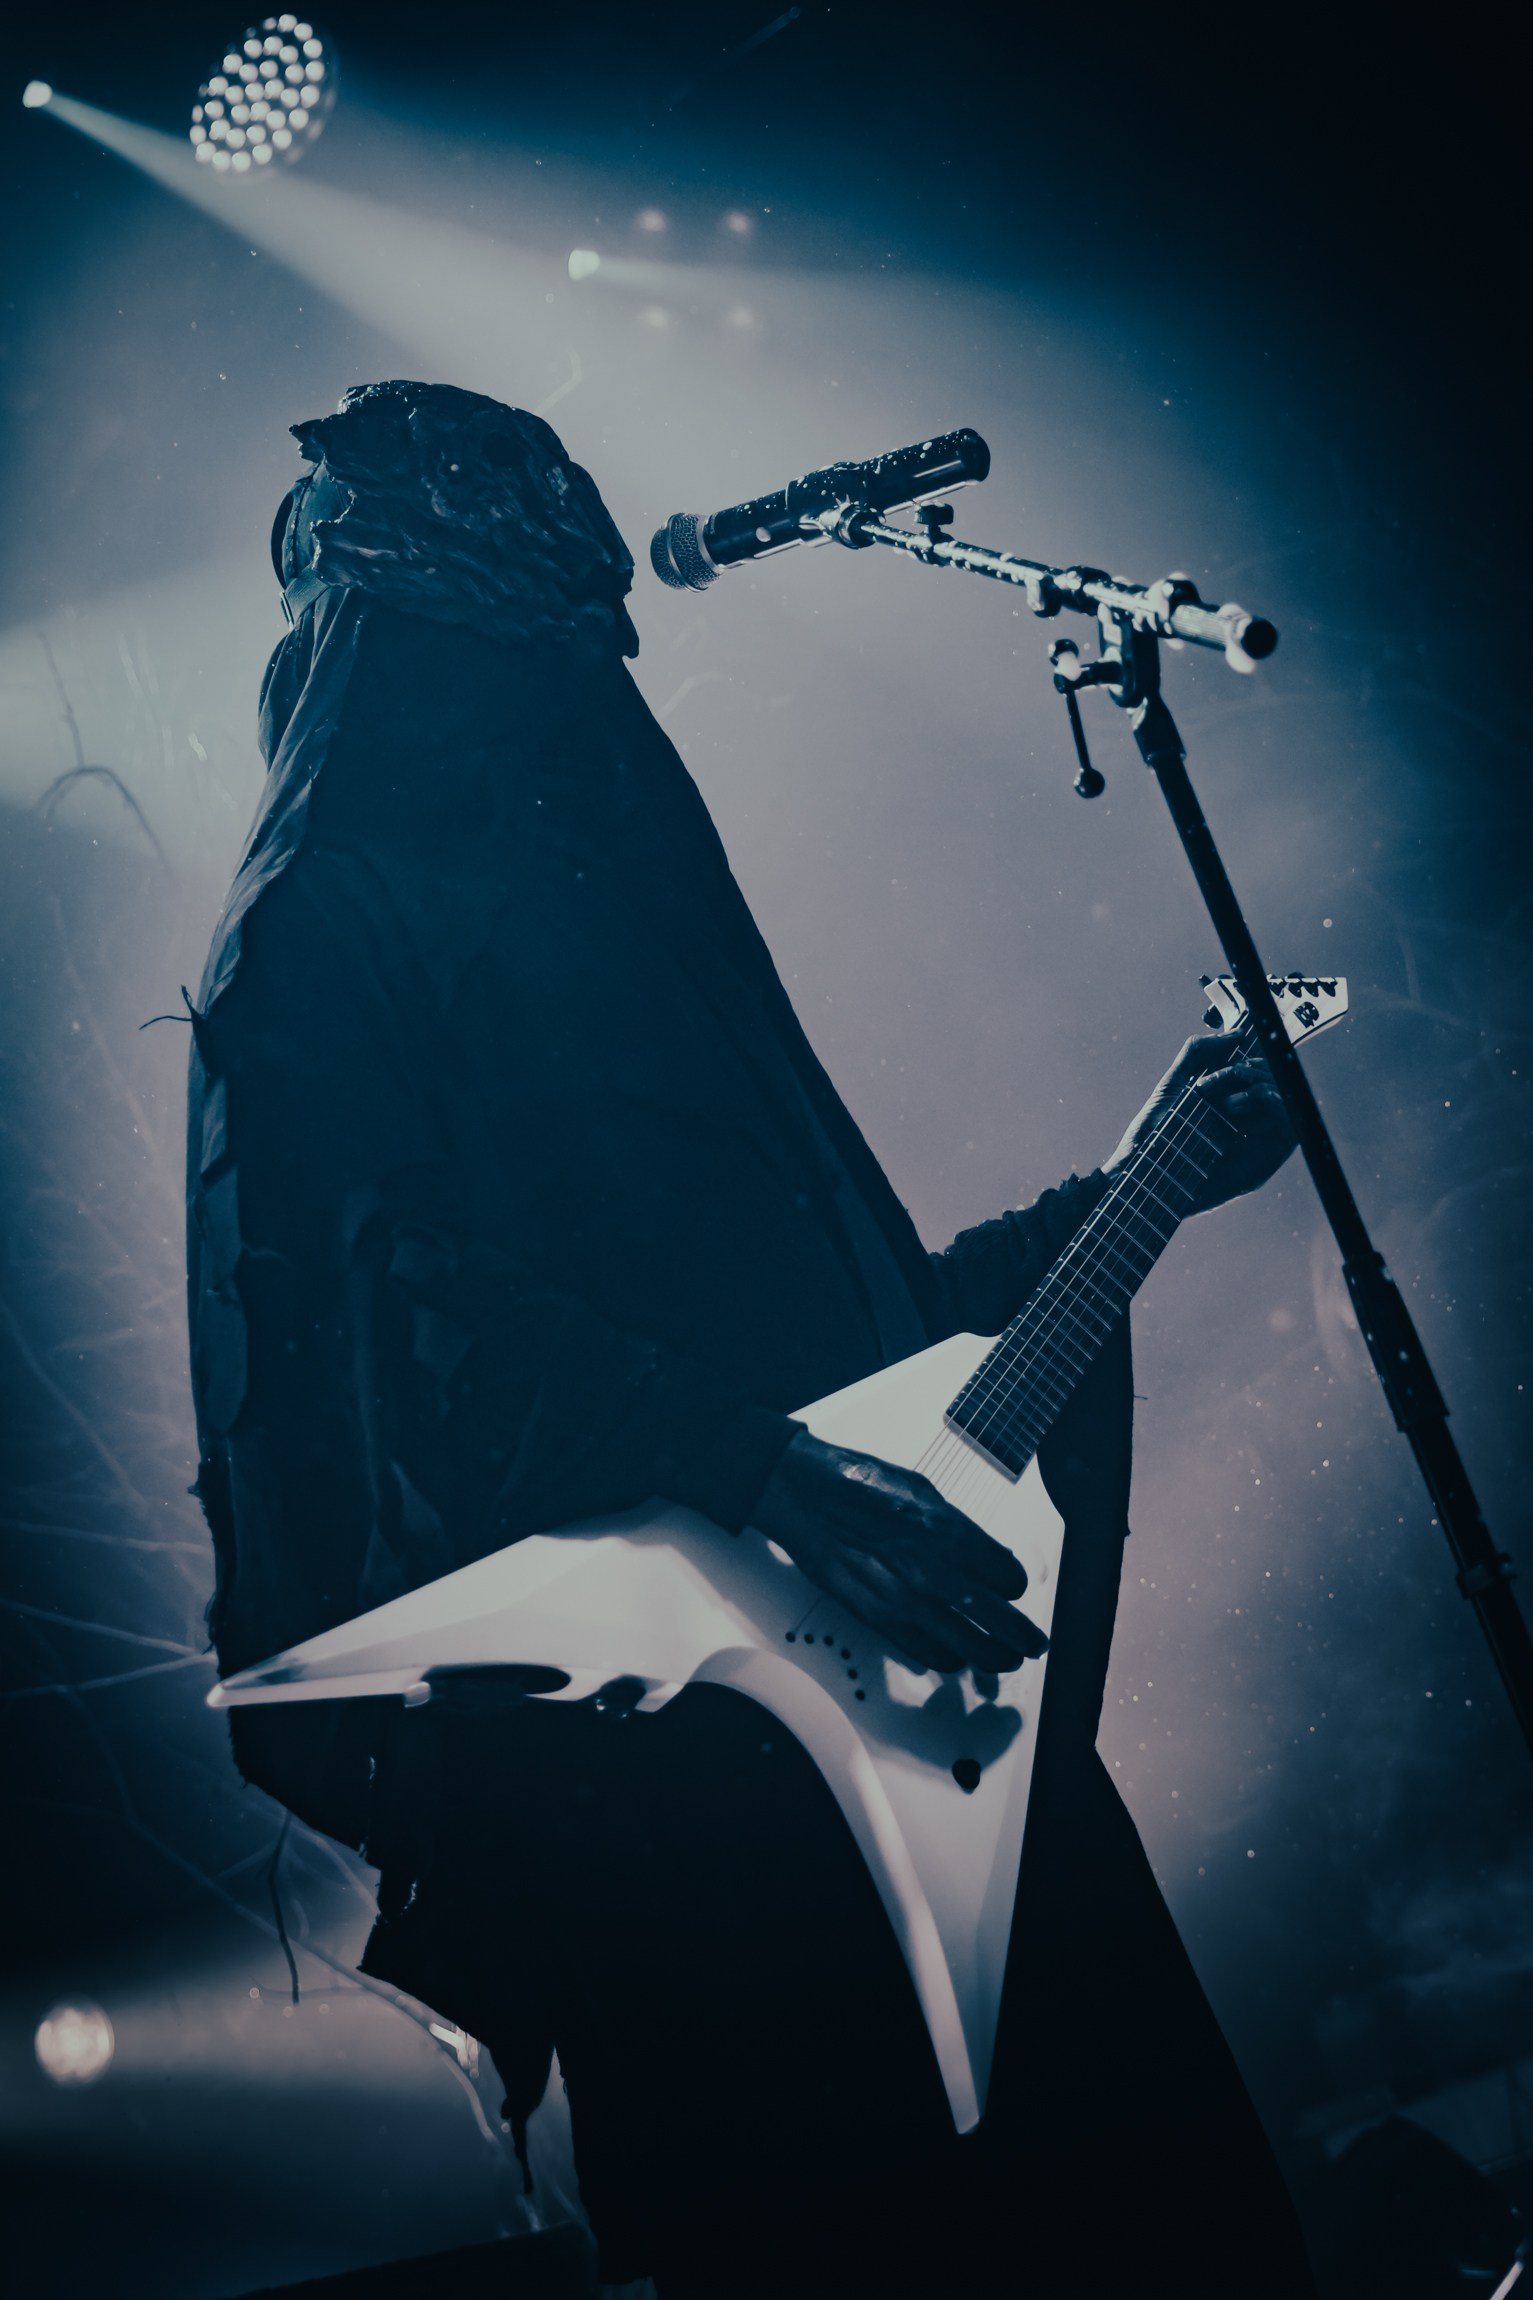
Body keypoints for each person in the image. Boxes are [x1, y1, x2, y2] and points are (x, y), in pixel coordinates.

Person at [188, 380, 1314, 2296]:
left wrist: (1136, 1186)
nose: (577, 705)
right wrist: (758, 1468)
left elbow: (865, 1354)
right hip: (663, 1793)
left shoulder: (644, 938)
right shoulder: (318, 931)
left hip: (928, 1732)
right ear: (397, 646)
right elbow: (382, 1327)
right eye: (510, 656)